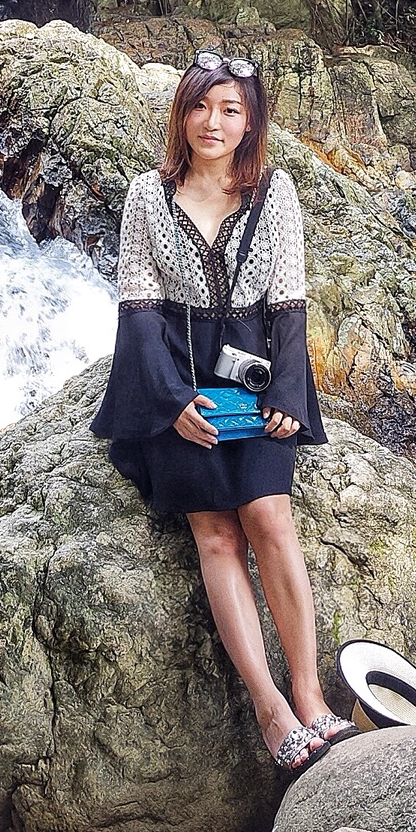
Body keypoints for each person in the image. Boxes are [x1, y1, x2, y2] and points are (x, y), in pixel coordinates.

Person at [91, 49, 346, 776]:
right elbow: (136, 307)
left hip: (255, 376)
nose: (214, 121)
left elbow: (290, 300)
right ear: (182, 113)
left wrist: (290, 396)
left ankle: (308, 688)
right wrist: (171, 404)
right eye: (202, 106)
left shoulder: (277, 191)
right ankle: (269, 706)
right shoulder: (148, 192)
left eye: (231, 109)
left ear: (250, 121)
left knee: (269, 516)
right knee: (216, 534)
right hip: (175, 373)